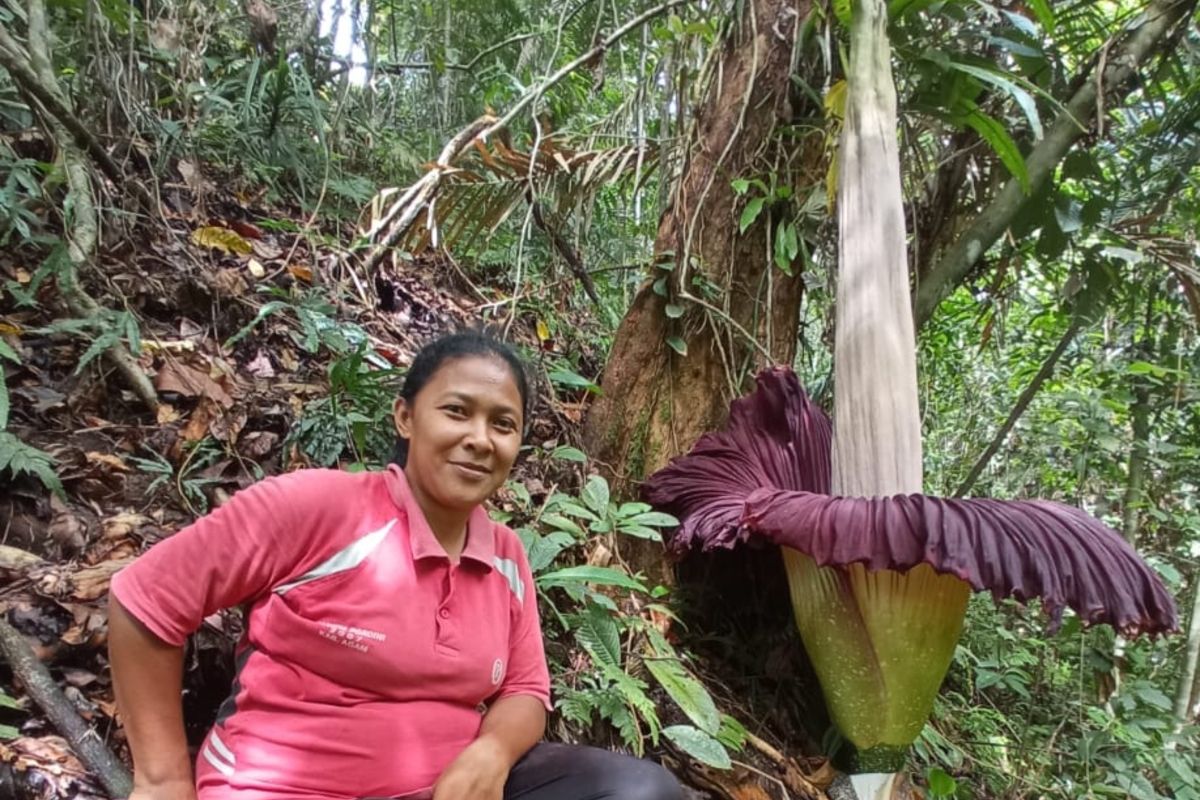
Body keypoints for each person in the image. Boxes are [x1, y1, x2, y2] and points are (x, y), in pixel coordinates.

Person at [108, 330, 683, 800]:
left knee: (640, 793)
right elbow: (146, 601)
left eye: (502, 424)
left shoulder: (505, 554)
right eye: (457, 411)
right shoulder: (316, 507)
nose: (479, 439)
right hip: (286, 787)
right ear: (406, 418)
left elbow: (526, 689)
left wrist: (492, 752)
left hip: (449, 789)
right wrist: (161, 782)